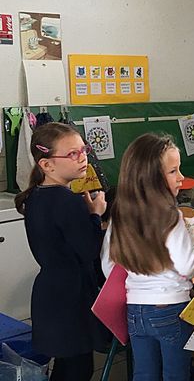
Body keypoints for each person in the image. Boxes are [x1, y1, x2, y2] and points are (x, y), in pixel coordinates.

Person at [101, 133, 194, 381]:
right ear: (151, 178)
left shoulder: (120, 216)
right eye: (173, 171)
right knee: (176, 375)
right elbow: (188, 265)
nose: (181, 177)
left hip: (135, 310)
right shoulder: (171, 217)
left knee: (144, 374)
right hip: (170, 308)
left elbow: (110, 270)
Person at [15, 123, 107, 381]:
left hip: (50, 293)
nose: (82, 159)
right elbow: (90, 249)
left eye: (83, 150)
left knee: (67, 368)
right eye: (72, 154)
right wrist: (96, 214)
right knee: (78, 369)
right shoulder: (67, 201)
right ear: (47, 165)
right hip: (71, 297)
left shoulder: (36, 196)